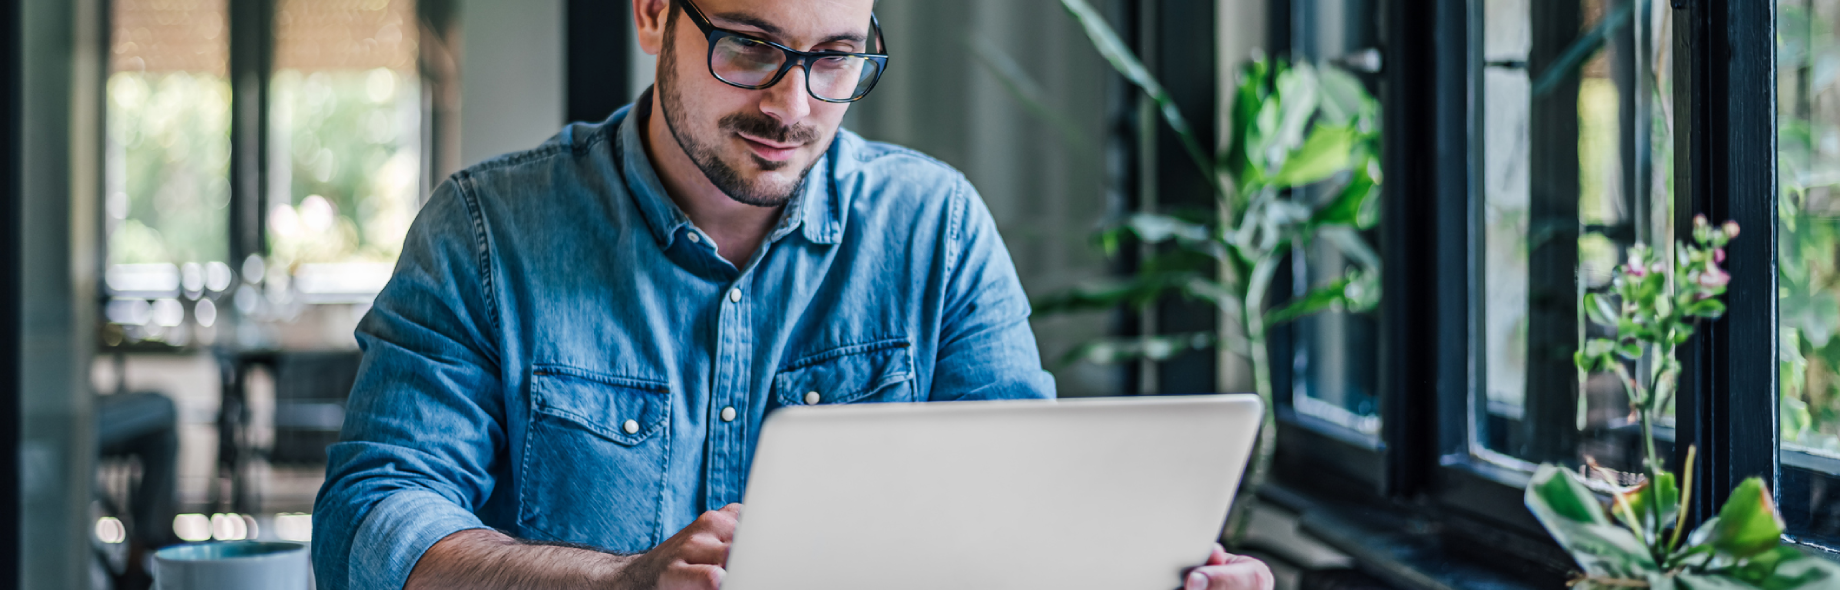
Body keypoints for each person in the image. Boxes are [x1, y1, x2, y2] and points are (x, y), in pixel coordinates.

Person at [311, 0, 1274, 589]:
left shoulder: (933, 230)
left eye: (836, 57)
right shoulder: (486, 234)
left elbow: (1026, 533)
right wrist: (618, 585)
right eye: (750, 47)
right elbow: (371, 524)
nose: (793, 103)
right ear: (654, 13)